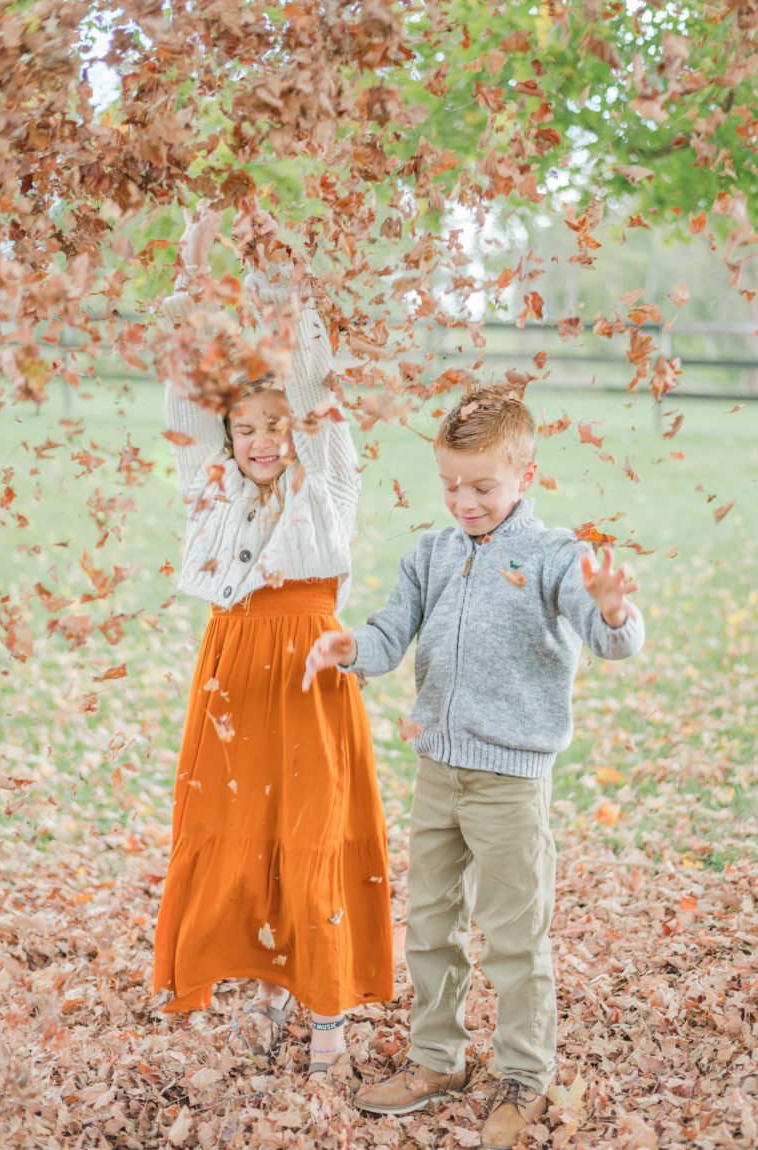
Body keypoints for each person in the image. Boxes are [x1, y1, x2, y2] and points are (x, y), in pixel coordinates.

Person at [303, 387, 644, 1143]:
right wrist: (352, 647)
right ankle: (437, 1058)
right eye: (451, 484)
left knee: (516, 932)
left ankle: (523, 1072)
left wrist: (615, 612)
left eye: (482, 486)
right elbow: (394, 630)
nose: (464, 500)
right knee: (429, 924)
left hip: (510, 782)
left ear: (525, 474)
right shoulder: (431, 553)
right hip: (438, 771)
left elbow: (609, 636)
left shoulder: (557, 557)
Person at [153, 201, 393, 1078]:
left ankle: (326, 1011)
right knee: (238, 830)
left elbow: (315, 384)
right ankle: (262, 980)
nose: (260, 439)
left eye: (273, 424)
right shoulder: (212, 481)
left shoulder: (327, 478)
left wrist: (271, 277)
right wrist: (193, 270)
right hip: (229, 671)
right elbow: (184, 396)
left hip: (307, 668)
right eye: (245, 427)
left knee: (309, 829)